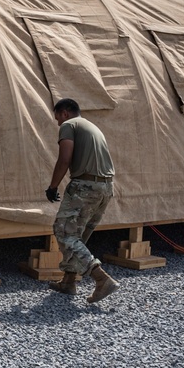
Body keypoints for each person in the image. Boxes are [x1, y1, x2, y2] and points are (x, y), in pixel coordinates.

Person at [45, 98, 120, 303]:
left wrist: (52, 187)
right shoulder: (92, 127)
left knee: (64, 232)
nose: (59, 124)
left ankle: (100, 278)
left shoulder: (69, 125)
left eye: (58, 119)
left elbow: (64, 158)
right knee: (77, 236)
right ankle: (68, 282)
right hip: (105, 187)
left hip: (84, 187)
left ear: (65, 113)